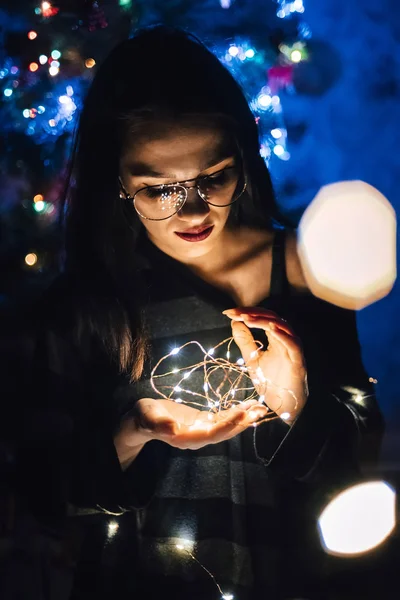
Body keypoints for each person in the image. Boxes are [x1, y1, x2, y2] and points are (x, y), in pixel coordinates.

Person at [0, 25, 384, 600]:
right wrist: (134, 434)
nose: (194, 211)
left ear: (243, 158)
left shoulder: (305, 276)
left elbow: (361, 455)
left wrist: (298, 406)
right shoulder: (89, 308)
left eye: (213, 176)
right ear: (119, 185)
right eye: (158, 189)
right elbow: (41, 497)